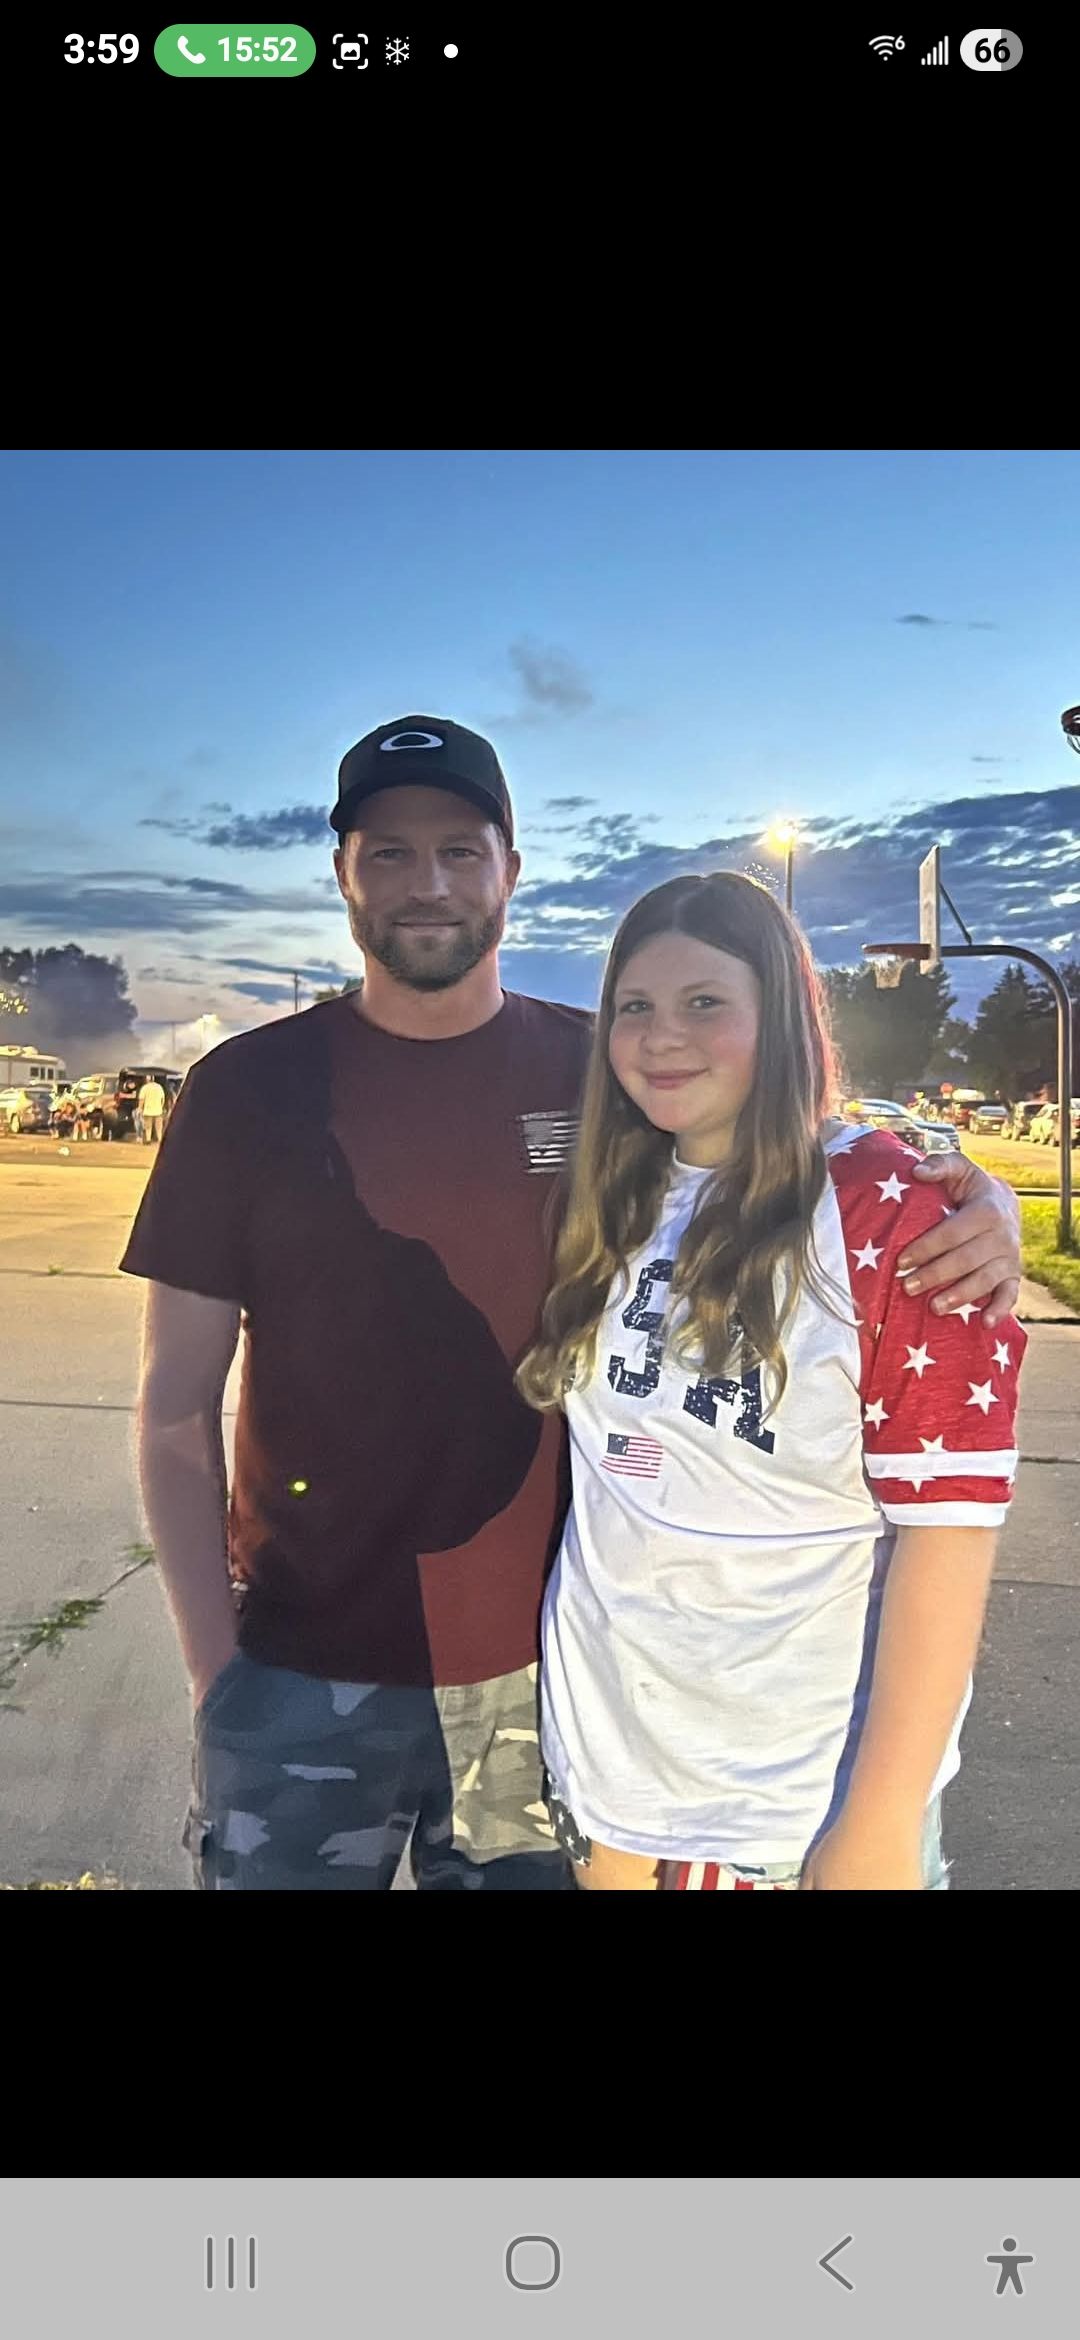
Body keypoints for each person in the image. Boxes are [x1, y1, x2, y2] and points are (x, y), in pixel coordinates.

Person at [119, 716, 1024, 1892]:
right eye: (386, 852)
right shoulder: (246, 1089)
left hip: (542, 1688)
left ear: (511, 868)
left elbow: (780, 1132)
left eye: (460, 847)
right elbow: (171, 1406)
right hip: (297, 1671)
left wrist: (964, 1185)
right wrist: (215, 1666)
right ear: (340, 873)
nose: (426, 882)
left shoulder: (602, 1071)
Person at [517, 872, 1026, 1889]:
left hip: (791, 1792)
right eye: (635, 1007)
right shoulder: (610, 1192)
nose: (663, 1037)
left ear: (781, 1014)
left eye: (706, 1002)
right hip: (611, 1764)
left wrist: (879, 1818)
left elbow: (952, 1536)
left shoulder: (891, 1208)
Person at [136, 1075, 166, 1144]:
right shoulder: (159, 1087)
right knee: (159, 1127)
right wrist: (160, 1107)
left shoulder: (145, 1088)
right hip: (158, 1110)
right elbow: (162, 1099)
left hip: (148, 1111)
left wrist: (140, 1109)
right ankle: (160, 1140)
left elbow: (141, 1099)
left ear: (147, 1080)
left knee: (148, 1127)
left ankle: (148, 1139)